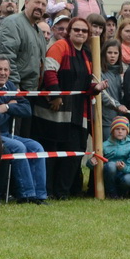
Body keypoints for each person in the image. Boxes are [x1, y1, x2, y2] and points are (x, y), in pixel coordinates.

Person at [39, 15, 101, 199]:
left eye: (84, 30)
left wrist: (96, 88)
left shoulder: (87, 54)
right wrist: (56, 95)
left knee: (74, 154)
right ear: (69, 32)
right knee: (52, 153)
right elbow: (49, 71)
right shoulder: (60, 47)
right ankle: (48, 191)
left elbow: (86, 84)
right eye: (77, 30)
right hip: (55, 112)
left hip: (77, 113)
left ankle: (62, 191)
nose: (80, 33)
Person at [0, 57, 47, 204]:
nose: (3, 73)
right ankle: (26, 195)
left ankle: (40, 195)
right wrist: (11, 107)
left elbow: (27, 109)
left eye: (6, 70)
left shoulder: (10, 86)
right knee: (19, 147)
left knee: (37, 147)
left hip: (7, 134)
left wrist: (7, 107)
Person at [0, 0, 48, 93]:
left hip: (32, 89)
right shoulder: (13, 23)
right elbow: (5, 55)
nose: (40, 7)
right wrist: (13, 84)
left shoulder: (39, 32)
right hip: (17, 88)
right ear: (26, 3)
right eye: (37, 2)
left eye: (43, 4)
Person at [100, 117, 130, 197]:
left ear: (127, 132)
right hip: (109, 172)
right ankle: (111, 193)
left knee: (129, 179)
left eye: (123, 129)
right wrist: (91, 162)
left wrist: (123, 168)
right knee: (111, 166)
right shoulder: (104, 145)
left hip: (124, 173)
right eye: (117, 129)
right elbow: (93, 164)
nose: (120, 131)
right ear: (112, 131)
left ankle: (122, 194)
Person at [98, 40, 126, 140]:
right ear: (104, 53)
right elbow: (102, 95)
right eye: (109, 53)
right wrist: (117, 105)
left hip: (119, 118)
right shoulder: (99, 72)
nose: (112, 56)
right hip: (105, 119)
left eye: (115, 53)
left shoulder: (118, 73)